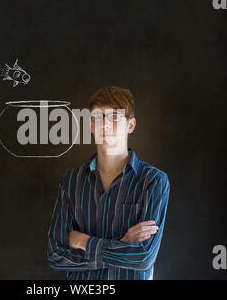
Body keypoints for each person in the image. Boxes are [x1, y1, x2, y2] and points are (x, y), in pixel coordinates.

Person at [47, 86, 170, 280]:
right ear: (90, 124)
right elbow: (56, 256)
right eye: (98, 117)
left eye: (114, 117)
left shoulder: (153, 181)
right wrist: (122, 244)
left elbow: (143, 257)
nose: (104, 125)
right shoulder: (70, 182)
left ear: (131, 125)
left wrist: (84, 241)